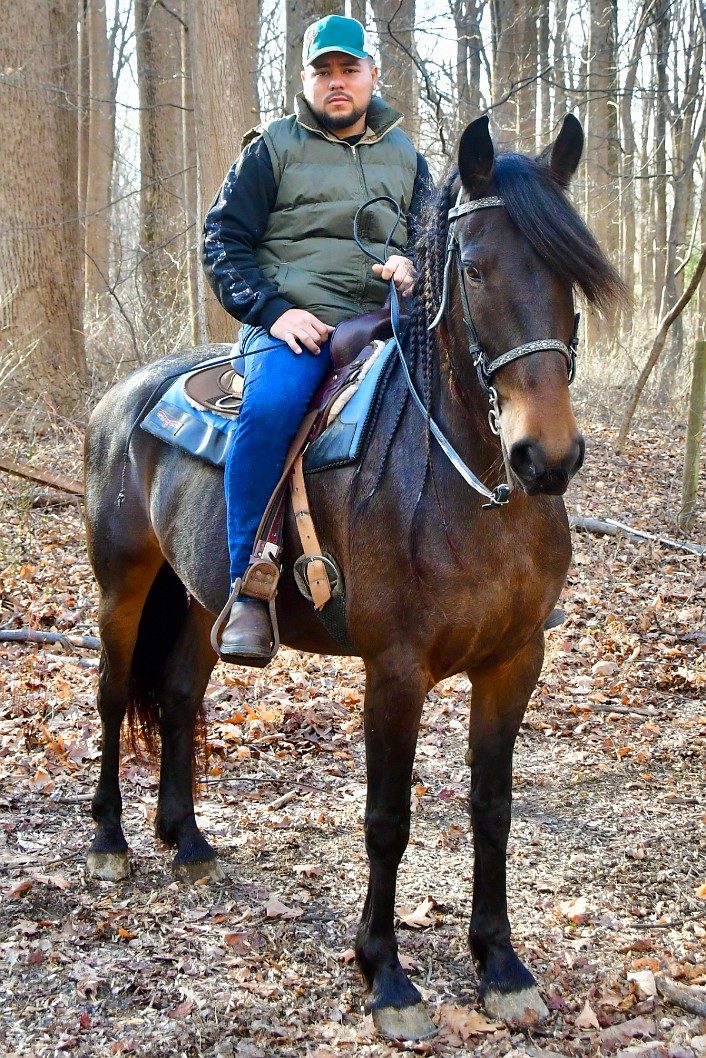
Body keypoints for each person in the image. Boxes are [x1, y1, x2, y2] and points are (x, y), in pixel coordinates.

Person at [202, 14, 431, 663]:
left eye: (348, 69)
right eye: (323, 70)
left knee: (472, 384)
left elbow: (438, 237)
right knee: (273, 407)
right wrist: (273, 312)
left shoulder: (408, 155)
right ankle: (249, 587)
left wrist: (416, 265)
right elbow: (223, 244)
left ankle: (502, 564)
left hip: (387, 318)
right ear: (305, 79)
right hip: (295, 326)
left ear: (371, 75)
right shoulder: (272, 146)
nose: (336, 82)